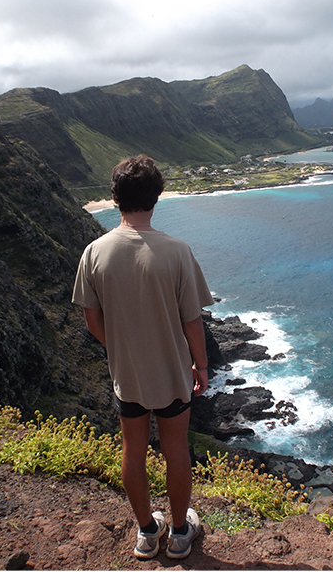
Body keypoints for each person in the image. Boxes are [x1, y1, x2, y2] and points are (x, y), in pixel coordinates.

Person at [72, 154, 214, 560]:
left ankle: (148, 533)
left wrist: (121, 346)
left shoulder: (95, 253)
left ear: (114, 197)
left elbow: (92, 320)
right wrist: (200, 366)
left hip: (127, 375)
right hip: (172, 374)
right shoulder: (176, 251)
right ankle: (182, 533)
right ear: (156, 196)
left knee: (132, 452)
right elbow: (192, 321)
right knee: (176, 450)